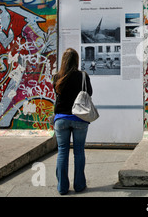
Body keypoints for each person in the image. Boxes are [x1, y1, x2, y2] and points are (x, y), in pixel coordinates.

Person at [53, 48, 93, 195]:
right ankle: (79, 185)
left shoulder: (57, 76)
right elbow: (89, 93)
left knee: (62, 152)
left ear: (63, 60)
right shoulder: (83, 76)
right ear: (76, 60)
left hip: (61, 119)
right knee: (79, 151)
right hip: (79, 118)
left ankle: (62, 187)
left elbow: (57, 94)